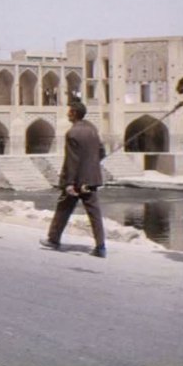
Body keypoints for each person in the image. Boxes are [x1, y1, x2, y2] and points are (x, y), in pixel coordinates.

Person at [40, 100, 107, 258]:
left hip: (77, 181)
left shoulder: (72, 133)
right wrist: (91, 165)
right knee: (94, 213)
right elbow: (102, 152)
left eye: (69, 111)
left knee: (63, 208)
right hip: (91, 179)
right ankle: (101, 247)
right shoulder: (92, 129)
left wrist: (69, 183)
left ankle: (54, 239)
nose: (67, 114)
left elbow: (72, 161)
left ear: (75, 113)